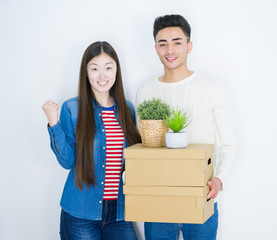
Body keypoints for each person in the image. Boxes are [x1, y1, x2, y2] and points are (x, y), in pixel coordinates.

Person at [136, 14, 238, 240]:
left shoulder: (212, 87)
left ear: (189, 46)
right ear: (155, 49)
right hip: (159, 203)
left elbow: (229, 144)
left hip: (201, 198)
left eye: (177, 42)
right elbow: (143, 148)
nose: (170, 50)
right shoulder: (146, 92)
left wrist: (219, 179)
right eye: (163, 44)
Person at [42, 41, 141, 240]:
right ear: (86, 73)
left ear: (116, 71)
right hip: (80, 212)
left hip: (119, 213)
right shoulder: (72, 108)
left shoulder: (127, 109)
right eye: (94, 68)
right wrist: (54, 123)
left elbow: (133, 160)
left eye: (108, 67)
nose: (102, 75)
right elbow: (68, 161)